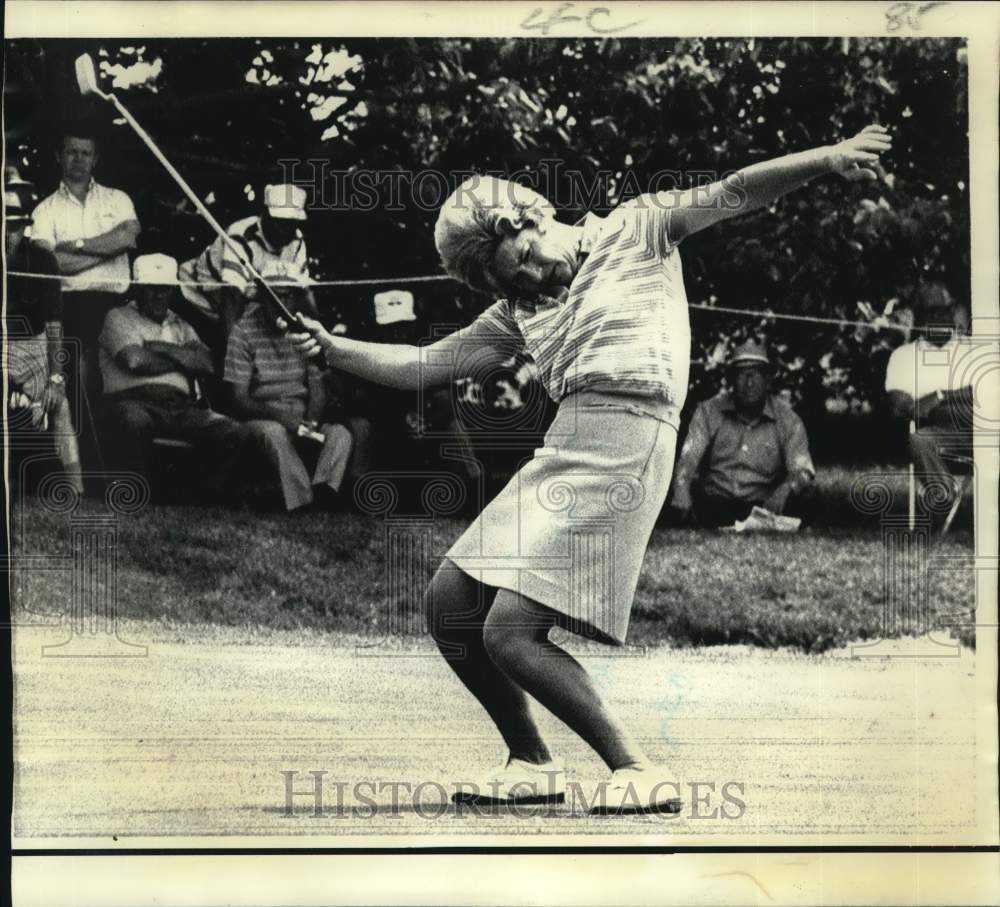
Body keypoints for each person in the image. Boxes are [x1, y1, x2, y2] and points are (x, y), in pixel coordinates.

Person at [290, 124, 893, 814]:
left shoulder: (637, 230)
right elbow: (428, 363)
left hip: (631, 439)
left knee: (509, 632)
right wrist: (333, 348)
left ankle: (636, 766)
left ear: (532, 215)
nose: (523, 277)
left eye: (517, 255)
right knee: (449, 602)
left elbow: (735, 191)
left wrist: (828, 157)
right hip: (566, 443)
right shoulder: (520, 310)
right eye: (501, 277)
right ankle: (531, 759)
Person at [98, 254, 251, 492]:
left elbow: (208, 364)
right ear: (137, 289)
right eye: (152, 288)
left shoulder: (181, 324)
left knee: (233, 431)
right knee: (134, 421)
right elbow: (134, 360)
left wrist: (159, 347)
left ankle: (201, 498)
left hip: (182, 407)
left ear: (173, 291)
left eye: (165, 288)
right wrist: (184, 357)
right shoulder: (118, 317)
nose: (159, 295)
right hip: (135, 401)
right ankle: (137, 495)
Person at [30, 123, 140, 426]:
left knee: (119, 381)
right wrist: (108, 247)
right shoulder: (44, 210)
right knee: (77, 380)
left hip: (117, 305)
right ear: (59, 156)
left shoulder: (118, 200)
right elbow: (49, 265)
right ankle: (87, 453)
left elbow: (128, 238)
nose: (79, 159)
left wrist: (75, 246)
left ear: (96, 159)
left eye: (85, 153)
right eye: (71, 152)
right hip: (70, 307)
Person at [224, 262, 354, 512]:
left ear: (296, 299)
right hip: (262, 418)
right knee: (273, 433)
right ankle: (301, 504)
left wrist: (311, 422)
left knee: (339, 434)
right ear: (261, 297)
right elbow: (238, 399)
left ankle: (323, 496)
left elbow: (317, 389)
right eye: (275, 295)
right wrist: (283, 418)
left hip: (301, 418)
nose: (281, 303)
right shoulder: (242, 332)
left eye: (288, 296)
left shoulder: (304, 331)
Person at [669, 339, 816, 527]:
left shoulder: (788, 420)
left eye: (756, 374)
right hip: (715, 500)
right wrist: (681, 490)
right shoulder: (709, 411)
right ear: (731, 379)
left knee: (807, 498)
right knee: (671, 498)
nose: (749, 382)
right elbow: (689, 459)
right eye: (741, 374)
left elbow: (802, 469)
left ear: (768, 379)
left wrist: (785, 489)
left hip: (764, 504)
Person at [4, 177, 83, 493]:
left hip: (34, 346)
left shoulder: (41, 260)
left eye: (12, 225)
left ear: (23, 226)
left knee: (60, 405)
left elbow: (53, 325)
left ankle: (76, 488)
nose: (6, 232)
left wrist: (55, 379)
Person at [176, 183, 309, 358]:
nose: (287, 230)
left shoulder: (297, 241)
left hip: (245, 302)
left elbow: (301, 294)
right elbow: (231, 302)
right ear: (265, 214)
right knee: (222, 359)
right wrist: (236, 357)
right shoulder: (240, 236)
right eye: (281, 222)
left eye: (292, 223)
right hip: (197, 299)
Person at [885, 282, 974, 509]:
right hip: (940, 433)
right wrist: (959, 398)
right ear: (920, 317)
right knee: (919, 439)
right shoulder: (903, 356)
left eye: (944, 311)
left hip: (979, 429)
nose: (939, 318)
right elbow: (900, 409)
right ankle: (945, 497)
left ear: (952, 313)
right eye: (931, 312)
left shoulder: (972, 350)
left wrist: (939, 396)